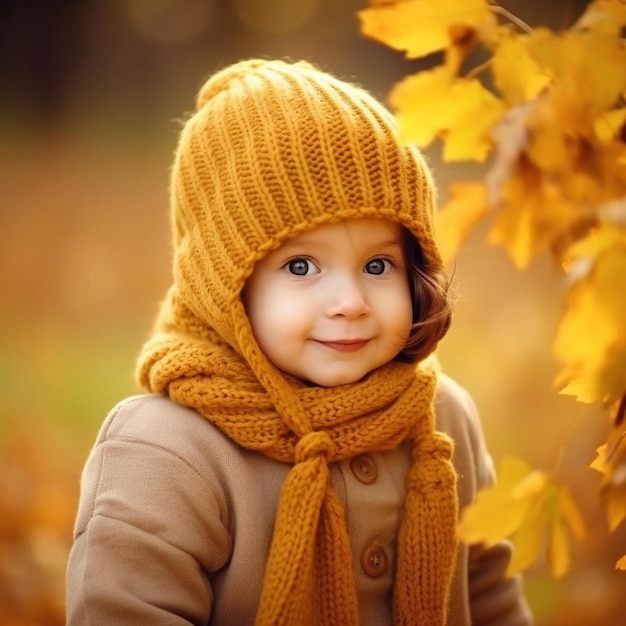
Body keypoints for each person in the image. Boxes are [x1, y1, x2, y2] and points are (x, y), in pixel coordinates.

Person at [65, 59, 533, 626]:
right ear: (225, 286)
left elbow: (490, 598)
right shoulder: (167, 451)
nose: (351, 301)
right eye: (302, 265)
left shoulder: (440, 421)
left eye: (379, 263)